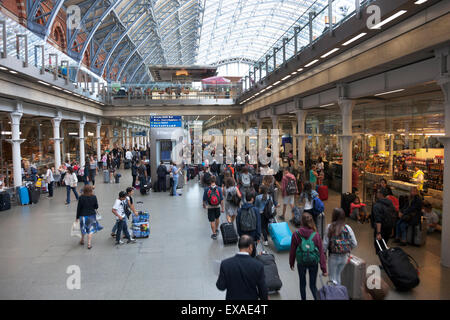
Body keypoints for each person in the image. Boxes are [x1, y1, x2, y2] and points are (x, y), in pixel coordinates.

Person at [216, 235, 268, 300]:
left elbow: (221, 286)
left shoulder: (225, 264)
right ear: (250, 247)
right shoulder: (258, 265)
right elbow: (263, 290)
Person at [289, 213, 327, 300]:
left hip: (301, 262)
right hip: (313, 262)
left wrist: (291, 263)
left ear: (301, 221)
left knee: (302, 284)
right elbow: (321, 252)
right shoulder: (316, 235)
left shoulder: (296, 234)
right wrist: (324, 268)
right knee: (313, 286)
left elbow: (292, 250)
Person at [323, 208, 357, 285]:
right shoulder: (348, 228)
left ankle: (333, 294)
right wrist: (347, 248)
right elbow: (354, 243)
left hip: (333, 256)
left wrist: (324, 253)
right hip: (344, 257)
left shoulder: (329, 227)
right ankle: (339, 293)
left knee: (332, 278)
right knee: (338, 275)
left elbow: (325, 243)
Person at [236, 190, 261, 257]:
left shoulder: (240, 210)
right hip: (253, 234)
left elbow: (238, 224)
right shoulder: (255, 210)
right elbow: (258, 224)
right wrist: (258, 236)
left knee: (244, 252)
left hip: (243, 234)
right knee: (253, 252)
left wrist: (240, 235)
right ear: (252, 199)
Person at [371, 188, 395, 254]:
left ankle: (385, 262)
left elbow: (378, 220)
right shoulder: (390, 204)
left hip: (381, 230)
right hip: (389, 228)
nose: (376, 194)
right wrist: (392, 229)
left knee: (379, 249)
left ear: (381, 194)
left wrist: (378, 233)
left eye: (378, 192)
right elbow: (393, 217)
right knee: (384, 246)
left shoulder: (377, 205)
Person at [76, 185, 99, 249]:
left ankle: (82, 240)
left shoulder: (81, 197)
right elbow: (96, 206)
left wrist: (77, 217)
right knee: (90, 230)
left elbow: (79, 208)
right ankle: (89, 243)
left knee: (83, 228)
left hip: (82, 216)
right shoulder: (94, 197)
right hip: (91, 215)